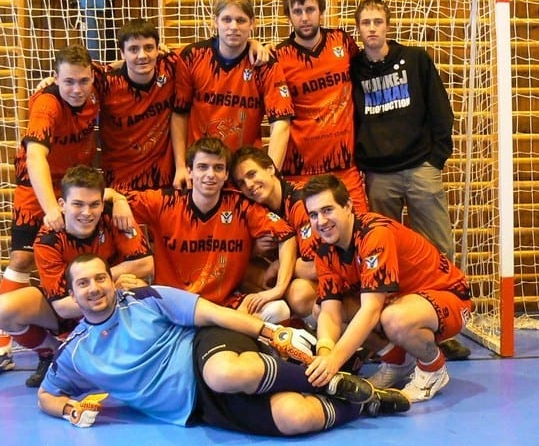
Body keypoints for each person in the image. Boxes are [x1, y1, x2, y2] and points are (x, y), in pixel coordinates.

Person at [37, 253, 411, 434]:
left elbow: (215, 314)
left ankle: (330, 381)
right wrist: (69, 408)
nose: (94, 288)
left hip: (206, 349)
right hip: (197, 408)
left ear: (111, 280)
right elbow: (46, 395)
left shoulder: (145, 298)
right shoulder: (76, 352)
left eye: (100, 278)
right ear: (72, 294)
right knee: (294, 417)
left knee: (223, 372)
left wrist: (270, 333)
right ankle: (364, 405)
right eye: (83, 283)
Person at [350, 0, 469, 360]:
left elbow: (440, 109)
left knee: (438, 250)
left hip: (420, 168)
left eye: (378, 21)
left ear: (388, 25)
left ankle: (441, 329)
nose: (372, 28)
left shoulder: (416, 59)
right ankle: (394, 333)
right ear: (358, 29)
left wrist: (436, 159)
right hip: (379, 174)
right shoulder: (353, 68)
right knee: (386, 256)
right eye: (366, 22)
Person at [0, 45, 100, 380]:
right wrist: (50, 209)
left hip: (75, 187)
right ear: (55, 78)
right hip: (37, 186)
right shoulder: (47, 104)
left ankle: (77, 339)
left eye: (83, 81)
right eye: (68, 82)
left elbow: (121, 65)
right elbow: (35, 158)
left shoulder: (96, 82)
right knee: (21, 258)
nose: (77, 89)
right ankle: (5, 347)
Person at [301, 174, 473, 402]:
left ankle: (433, 369)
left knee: (394, 318)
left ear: (348, 206)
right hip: (401, 302)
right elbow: (330, 313)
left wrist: (335, 361)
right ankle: (397, 361)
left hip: (450, 298)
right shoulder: (325, 250)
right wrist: (325, 354)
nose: (321, 221)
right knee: (321, 310)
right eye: (313, 215)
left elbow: (371, 310)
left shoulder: (374, 234)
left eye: (327, 210)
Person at [0, 165, 154, 387]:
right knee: (3, 310)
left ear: (102, 203)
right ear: (62, 205)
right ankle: (54, 353)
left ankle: (128, 358)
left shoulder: (115, 215)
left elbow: (145, 264)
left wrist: (119, 199)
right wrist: (103, 284)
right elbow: (63, 307)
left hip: (108, 305)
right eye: (78, 204)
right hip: (72, 306)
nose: (87, 213)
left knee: (137, 286)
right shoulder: (48, 239)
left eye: (94, 204)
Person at [108, 136, 297, 323]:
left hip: (224, 304)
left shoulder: (241, 205)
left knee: (279, 309)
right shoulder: (165, 202)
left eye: (218, 168)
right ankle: (233, 326)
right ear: (189, 171)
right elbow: (100, 195)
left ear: (226, 175)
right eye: (202, 167)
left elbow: (287, 235)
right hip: (174, 307)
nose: (210, 174)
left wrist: (279, 288)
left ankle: (231, 325)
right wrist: (118, 199)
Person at [171, 0, 293, 189]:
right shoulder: (192, 57)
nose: (233, 27)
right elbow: (179, 114)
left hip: (243, 172)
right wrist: (181, 166)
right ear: (215, 21)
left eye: (241, 20)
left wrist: (271, 175)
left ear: (252, 23)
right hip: (202, 169)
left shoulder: (264, 64)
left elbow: (281, 123)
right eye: (226, 19)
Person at [273, 0, 367, 212]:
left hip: (344, 167)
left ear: (321, 12)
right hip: (300, 172)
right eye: (297, 11)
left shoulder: (342, 42)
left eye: (310, 10)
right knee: (308, 234)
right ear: (289, 16)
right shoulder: (279, 57)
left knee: (359, 228)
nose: (304, 17)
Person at [229, 145, 318, 318]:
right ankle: (280, 313)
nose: (249, 185)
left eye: (252, 174)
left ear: (270, 169)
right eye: (241, 183)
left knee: (299, 293)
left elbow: (316, 268)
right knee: (241, 271)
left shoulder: (301, 202)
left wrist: (278, 265)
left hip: (333, 277)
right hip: (293, 275)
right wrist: (254, 250)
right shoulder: (255, 207)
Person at [92, 18, 177, 190]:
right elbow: (74, 77)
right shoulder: (105, 83)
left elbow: (215, 50)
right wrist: (52, 84)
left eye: (149, 48)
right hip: (120, 184)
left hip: (163, 183)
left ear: (158, 49)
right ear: (122, 53)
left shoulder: (170, 67)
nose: (142, 55)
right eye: (133, 49)